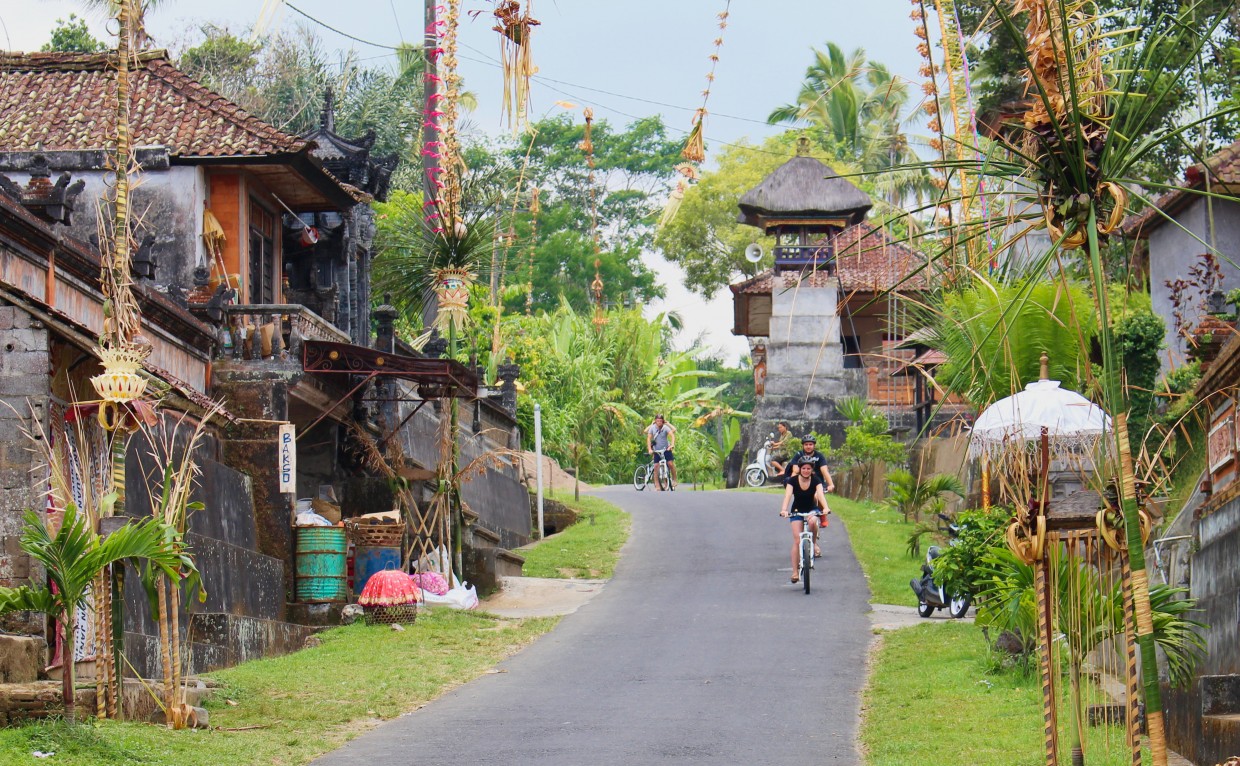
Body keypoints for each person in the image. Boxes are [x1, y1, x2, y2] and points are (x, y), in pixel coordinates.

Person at [779, 457, 829, 582]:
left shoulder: (816, 480)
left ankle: (812, 543)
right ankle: (795, 572)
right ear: (800, 469)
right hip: (797, 511)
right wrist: (784, 510)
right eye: (804, 468)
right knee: (797, 540)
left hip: (812, 509)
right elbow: (788, 495)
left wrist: (826, 508)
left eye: (808, 468)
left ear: (812, 470)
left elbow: (820, 495)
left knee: (813, 521)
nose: (806, 471)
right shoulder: (792, 481)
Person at [645, 414, 677, 491]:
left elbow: (672, 435)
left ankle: (674, 479)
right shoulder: (652, 428)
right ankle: (657, 485)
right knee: (656, 466)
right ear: (655, 421)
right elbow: (648, 438)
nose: (659, 422)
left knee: (670, 464)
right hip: (657, 450)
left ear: (662, 421)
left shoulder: (665, 428)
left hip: (666, 449)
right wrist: (649, 449)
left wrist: (672, 445)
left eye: (660, 421)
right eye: (657, 421)